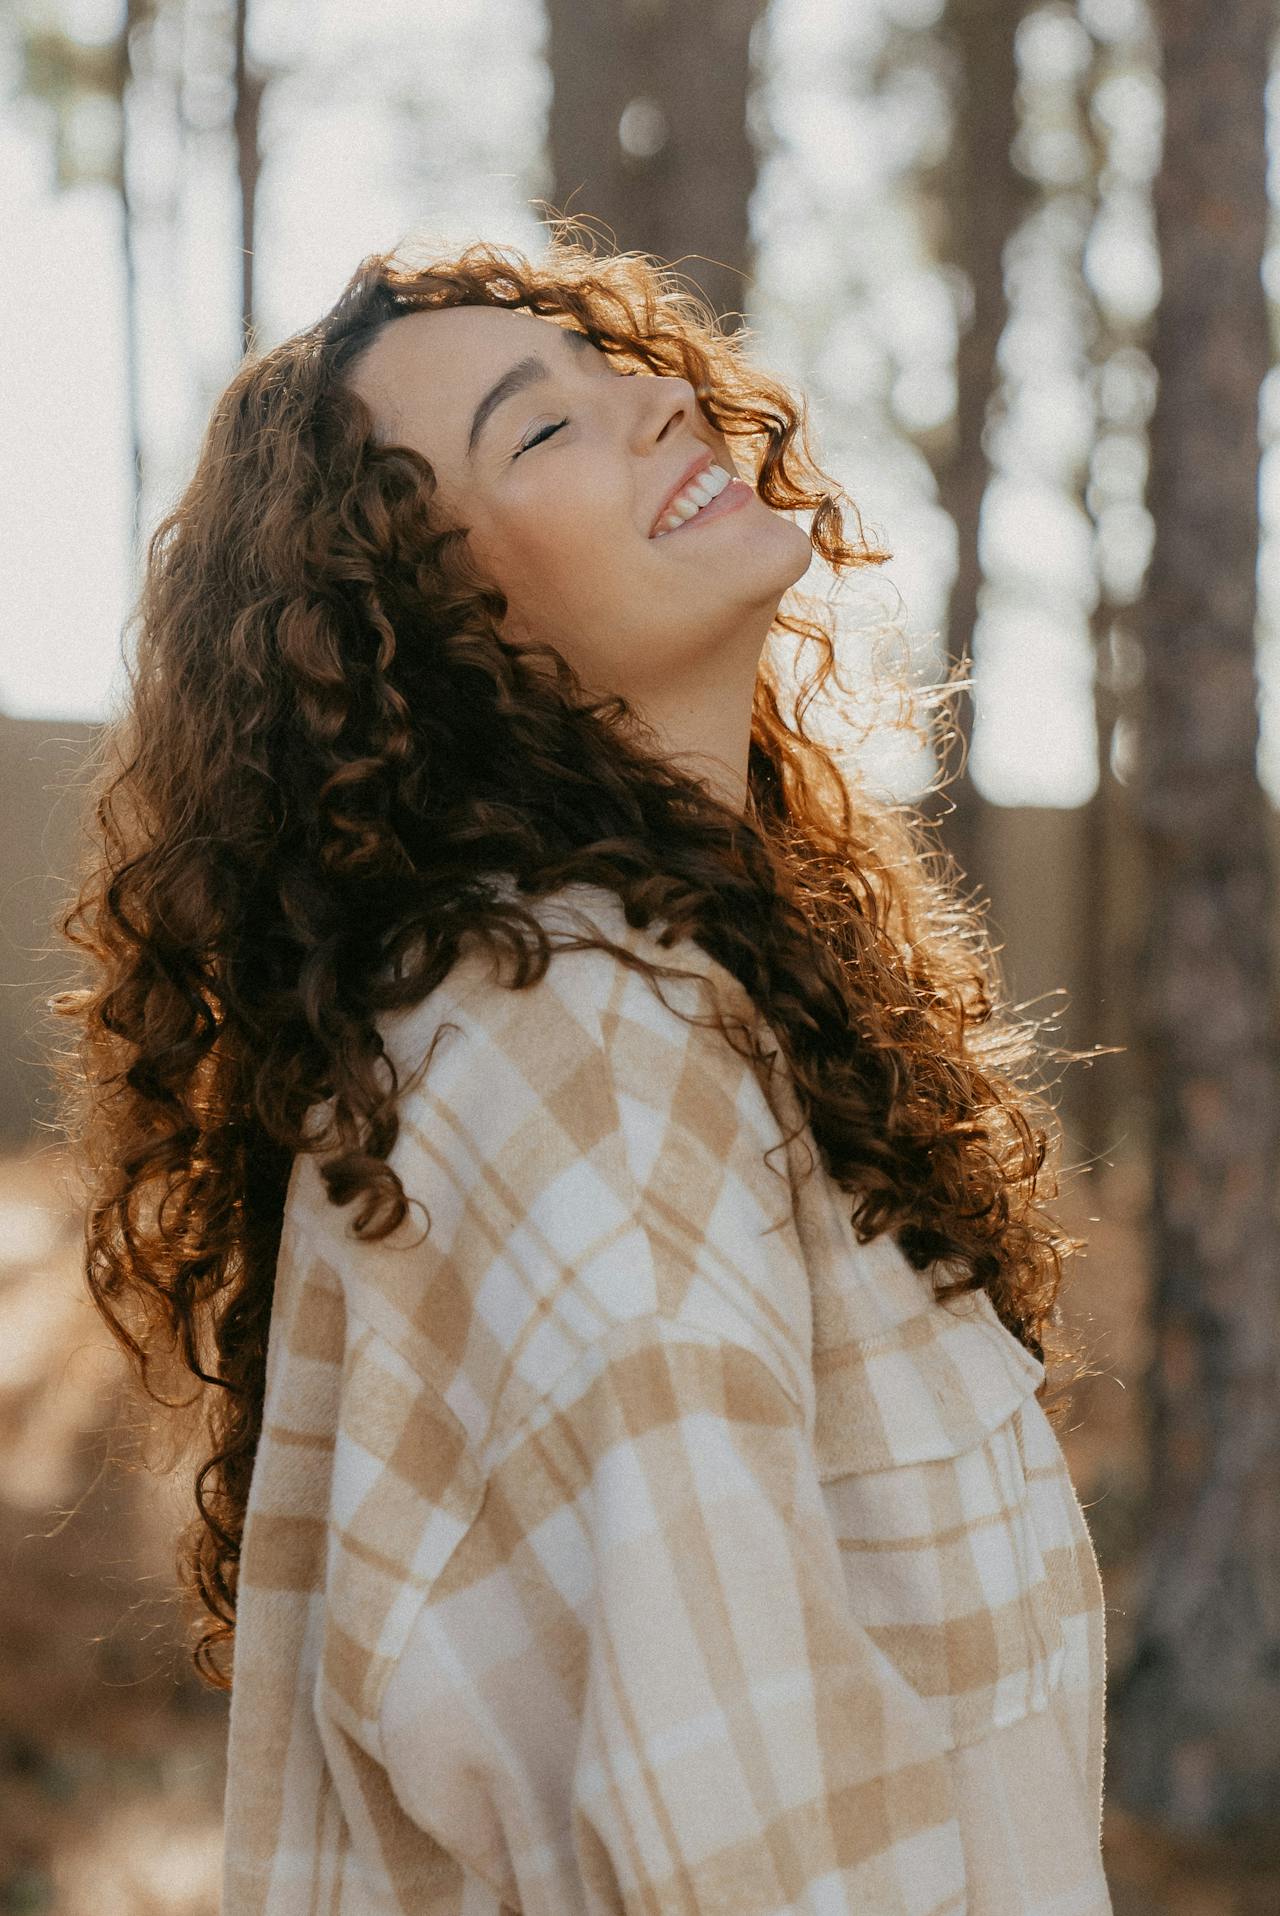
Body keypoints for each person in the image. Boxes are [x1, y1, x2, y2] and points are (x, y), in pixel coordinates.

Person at [51, 224, 1113, 1913]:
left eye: (621, 369)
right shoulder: (579, 1042)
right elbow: (746, 1833)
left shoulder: (688, 991)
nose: (659, 407)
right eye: (536, 429)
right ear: (421, 639)